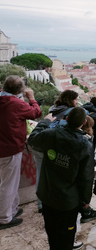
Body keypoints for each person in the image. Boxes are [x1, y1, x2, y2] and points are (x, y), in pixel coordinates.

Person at [28, 107, 96, 250]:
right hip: (68, 201)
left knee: (52, 234)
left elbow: (32, 139)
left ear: (66, 119)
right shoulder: (85, 144)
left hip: (47, 195)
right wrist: (86, 201)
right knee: (66, 238)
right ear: (84, 122)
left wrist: (45, 121)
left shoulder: (51, 134)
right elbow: (86, 177)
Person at [0, 76, 42, 230]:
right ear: (19, 91)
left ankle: (12, 209)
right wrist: (31, 98)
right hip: (10, 148)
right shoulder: (16, 104)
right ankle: (4, 218)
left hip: (3, 147)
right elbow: (36, 113)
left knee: (9, 182)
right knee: (8, 184)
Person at [31, 89, 79, 213]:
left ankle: (41, 204)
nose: (77, 102)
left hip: (39, 143)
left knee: (40, 174)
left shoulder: (53, 108)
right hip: (51, 146)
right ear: (71, 100)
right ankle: (52, 201)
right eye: (76, 99)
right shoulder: (70, 112)